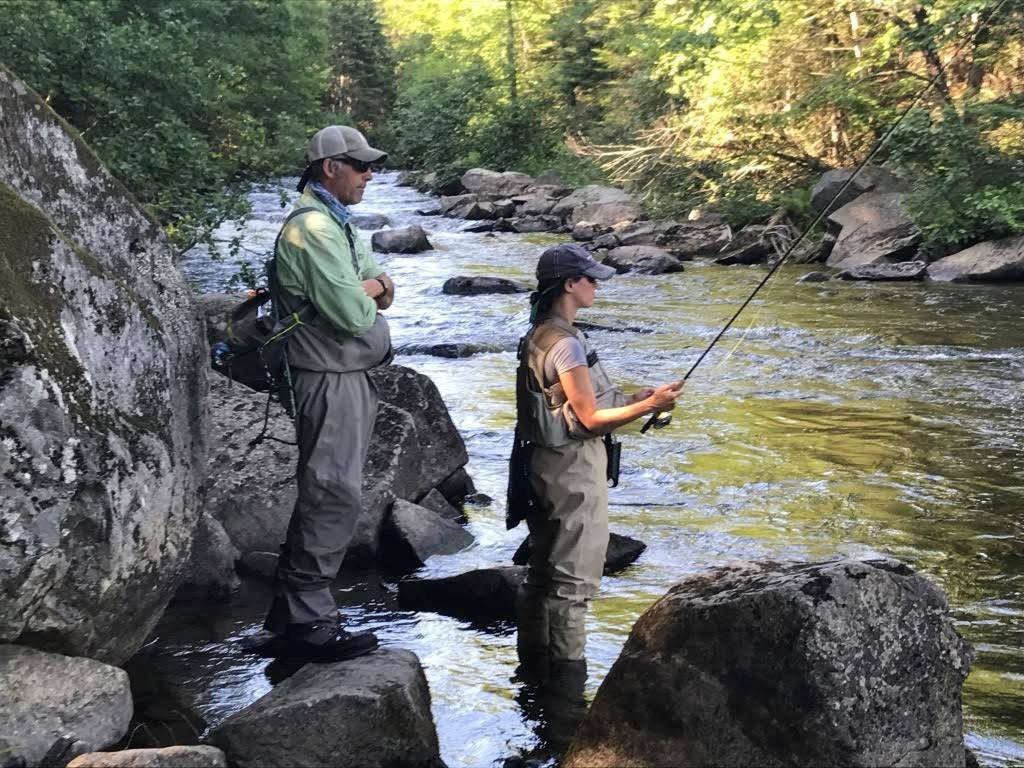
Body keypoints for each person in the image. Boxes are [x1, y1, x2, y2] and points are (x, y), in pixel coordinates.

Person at [510, 243, 681, 695]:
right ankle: (567, 691)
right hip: (570, 472)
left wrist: (637, 400)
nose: (596, 284)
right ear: (569, 285)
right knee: (573, 585)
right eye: (589, 278)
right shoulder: (565, 343)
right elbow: (588, 420)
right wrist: (652, 404)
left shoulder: (542, 333)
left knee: (543, 576)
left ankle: (532, 674)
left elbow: (579, 407)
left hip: (543, 467)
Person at [258, 125, 395, 662]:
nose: (369, 174)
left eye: (370, 165)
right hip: (326, 376)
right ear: (328, 167)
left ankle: (288, 615)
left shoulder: (336, 223)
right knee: (334, 492)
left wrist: (372, 286)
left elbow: (382, 285)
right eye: (360, 165)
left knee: (329, 489)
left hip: (341, 374)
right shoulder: (314, 228)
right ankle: (311, 625)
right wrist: (370, 290)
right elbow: (356, 312)